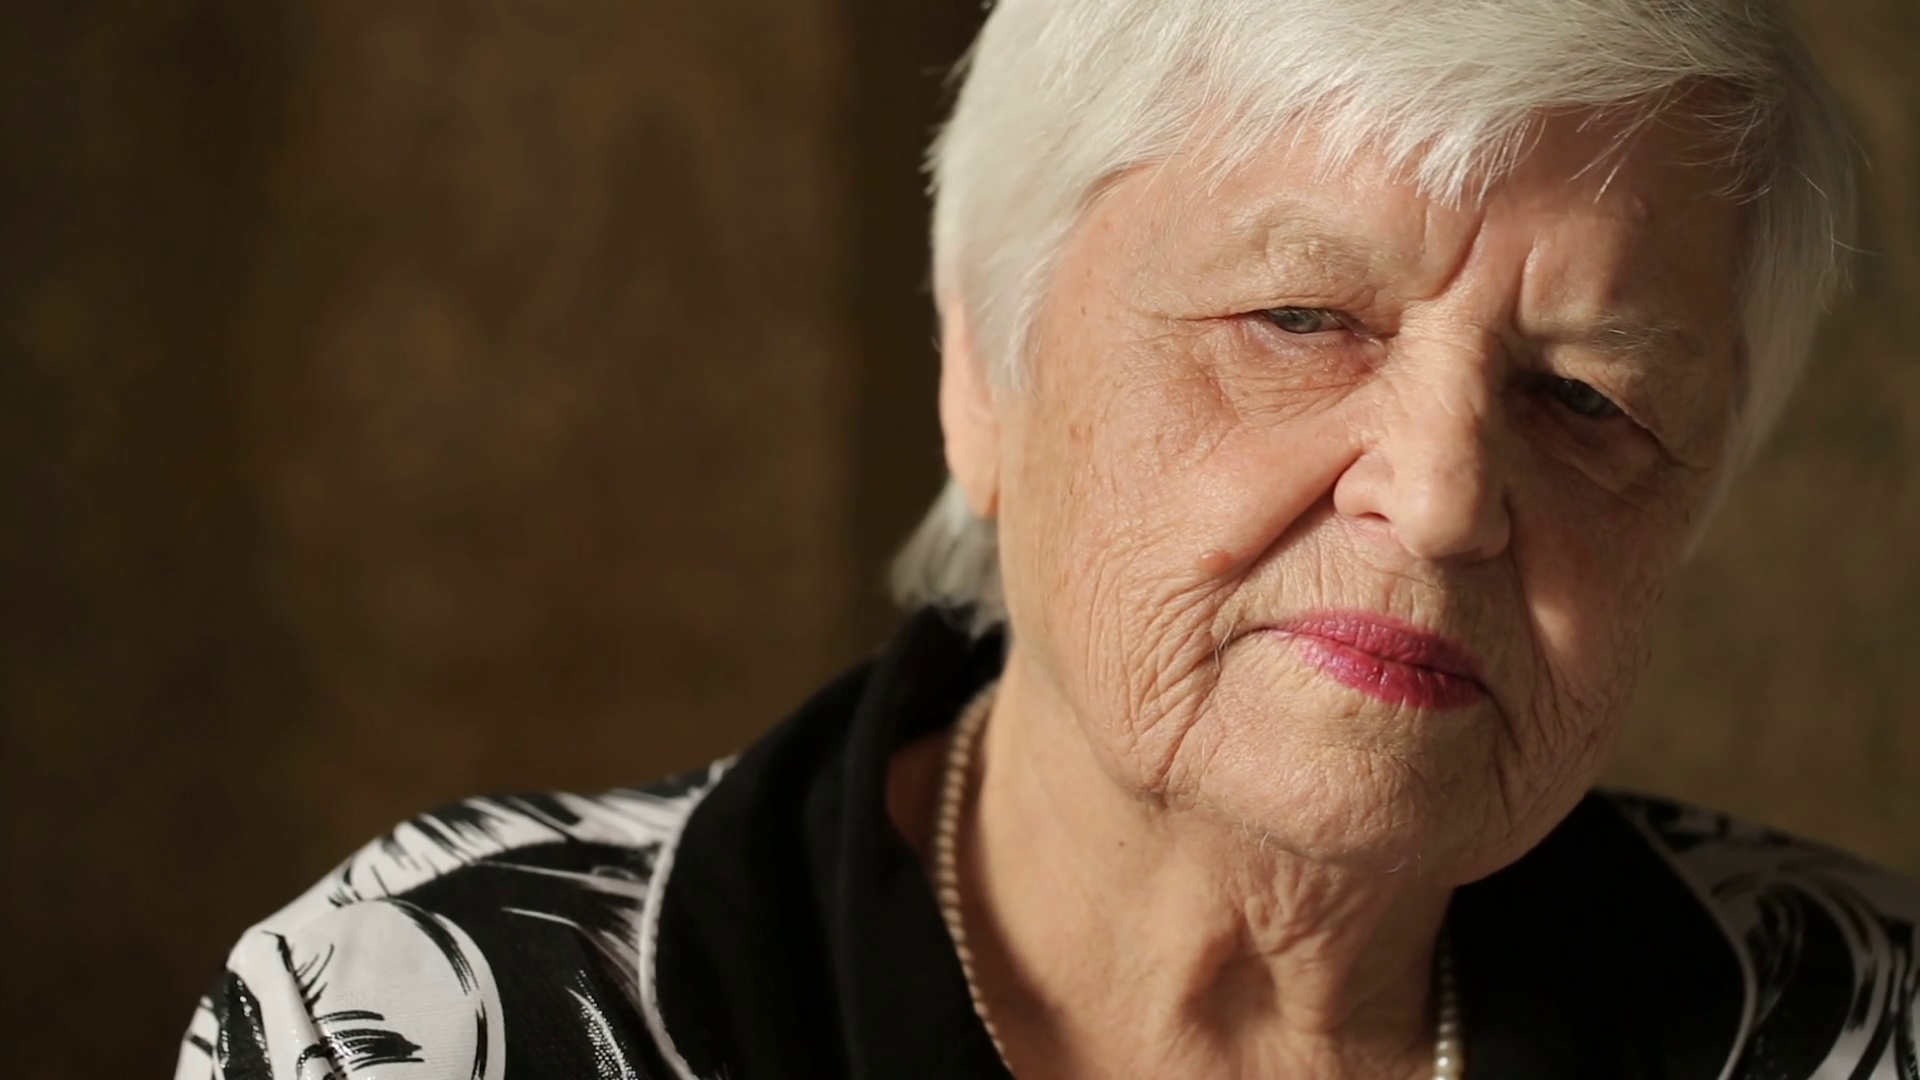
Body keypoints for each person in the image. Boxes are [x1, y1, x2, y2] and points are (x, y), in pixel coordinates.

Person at [176, 2, 1919, 1078]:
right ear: (983, 370)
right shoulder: (429, 1020)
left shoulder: (1864, 1028)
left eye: (1591, 399)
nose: (1446, 494)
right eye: (1300, 316)